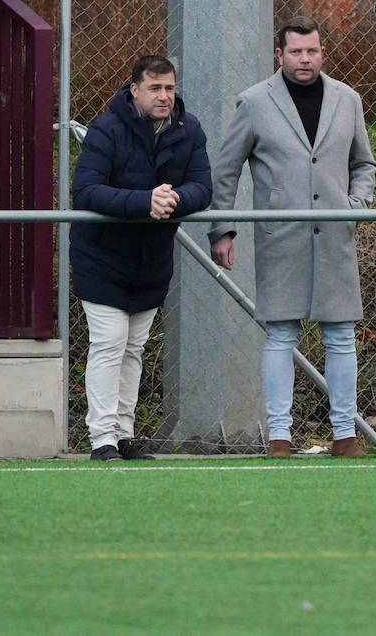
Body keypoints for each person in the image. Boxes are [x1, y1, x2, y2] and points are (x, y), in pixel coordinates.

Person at [208, 16, 376, 457]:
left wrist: (356, 206)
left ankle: (345, 435)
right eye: (297, 52)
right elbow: (225, 170)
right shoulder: (254, 102)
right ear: (279, 55)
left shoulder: (348, 100)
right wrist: (221, 229)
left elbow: (364, 164)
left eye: (313, 50)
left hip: (337, 239)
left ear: (323, 52)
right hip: (280, 239)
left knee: (340, 336)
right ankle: (279, 436)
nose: (306, 59)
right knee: (281, 336)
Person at [71, 54, 212, 461]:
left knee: (135, 346)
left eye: (169, 88)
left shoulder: (189, 129)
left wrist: (175, 199)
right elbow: (86, 191)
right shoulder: (107, 129)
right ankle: (102, 439)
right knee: (110, 343)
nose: (164, 96)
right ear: (135, 90)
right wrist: (143, 202)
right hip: (101, 257)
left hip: (151, 260)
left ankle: (124, 433)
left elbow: (203, 187)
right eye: (155, 88)